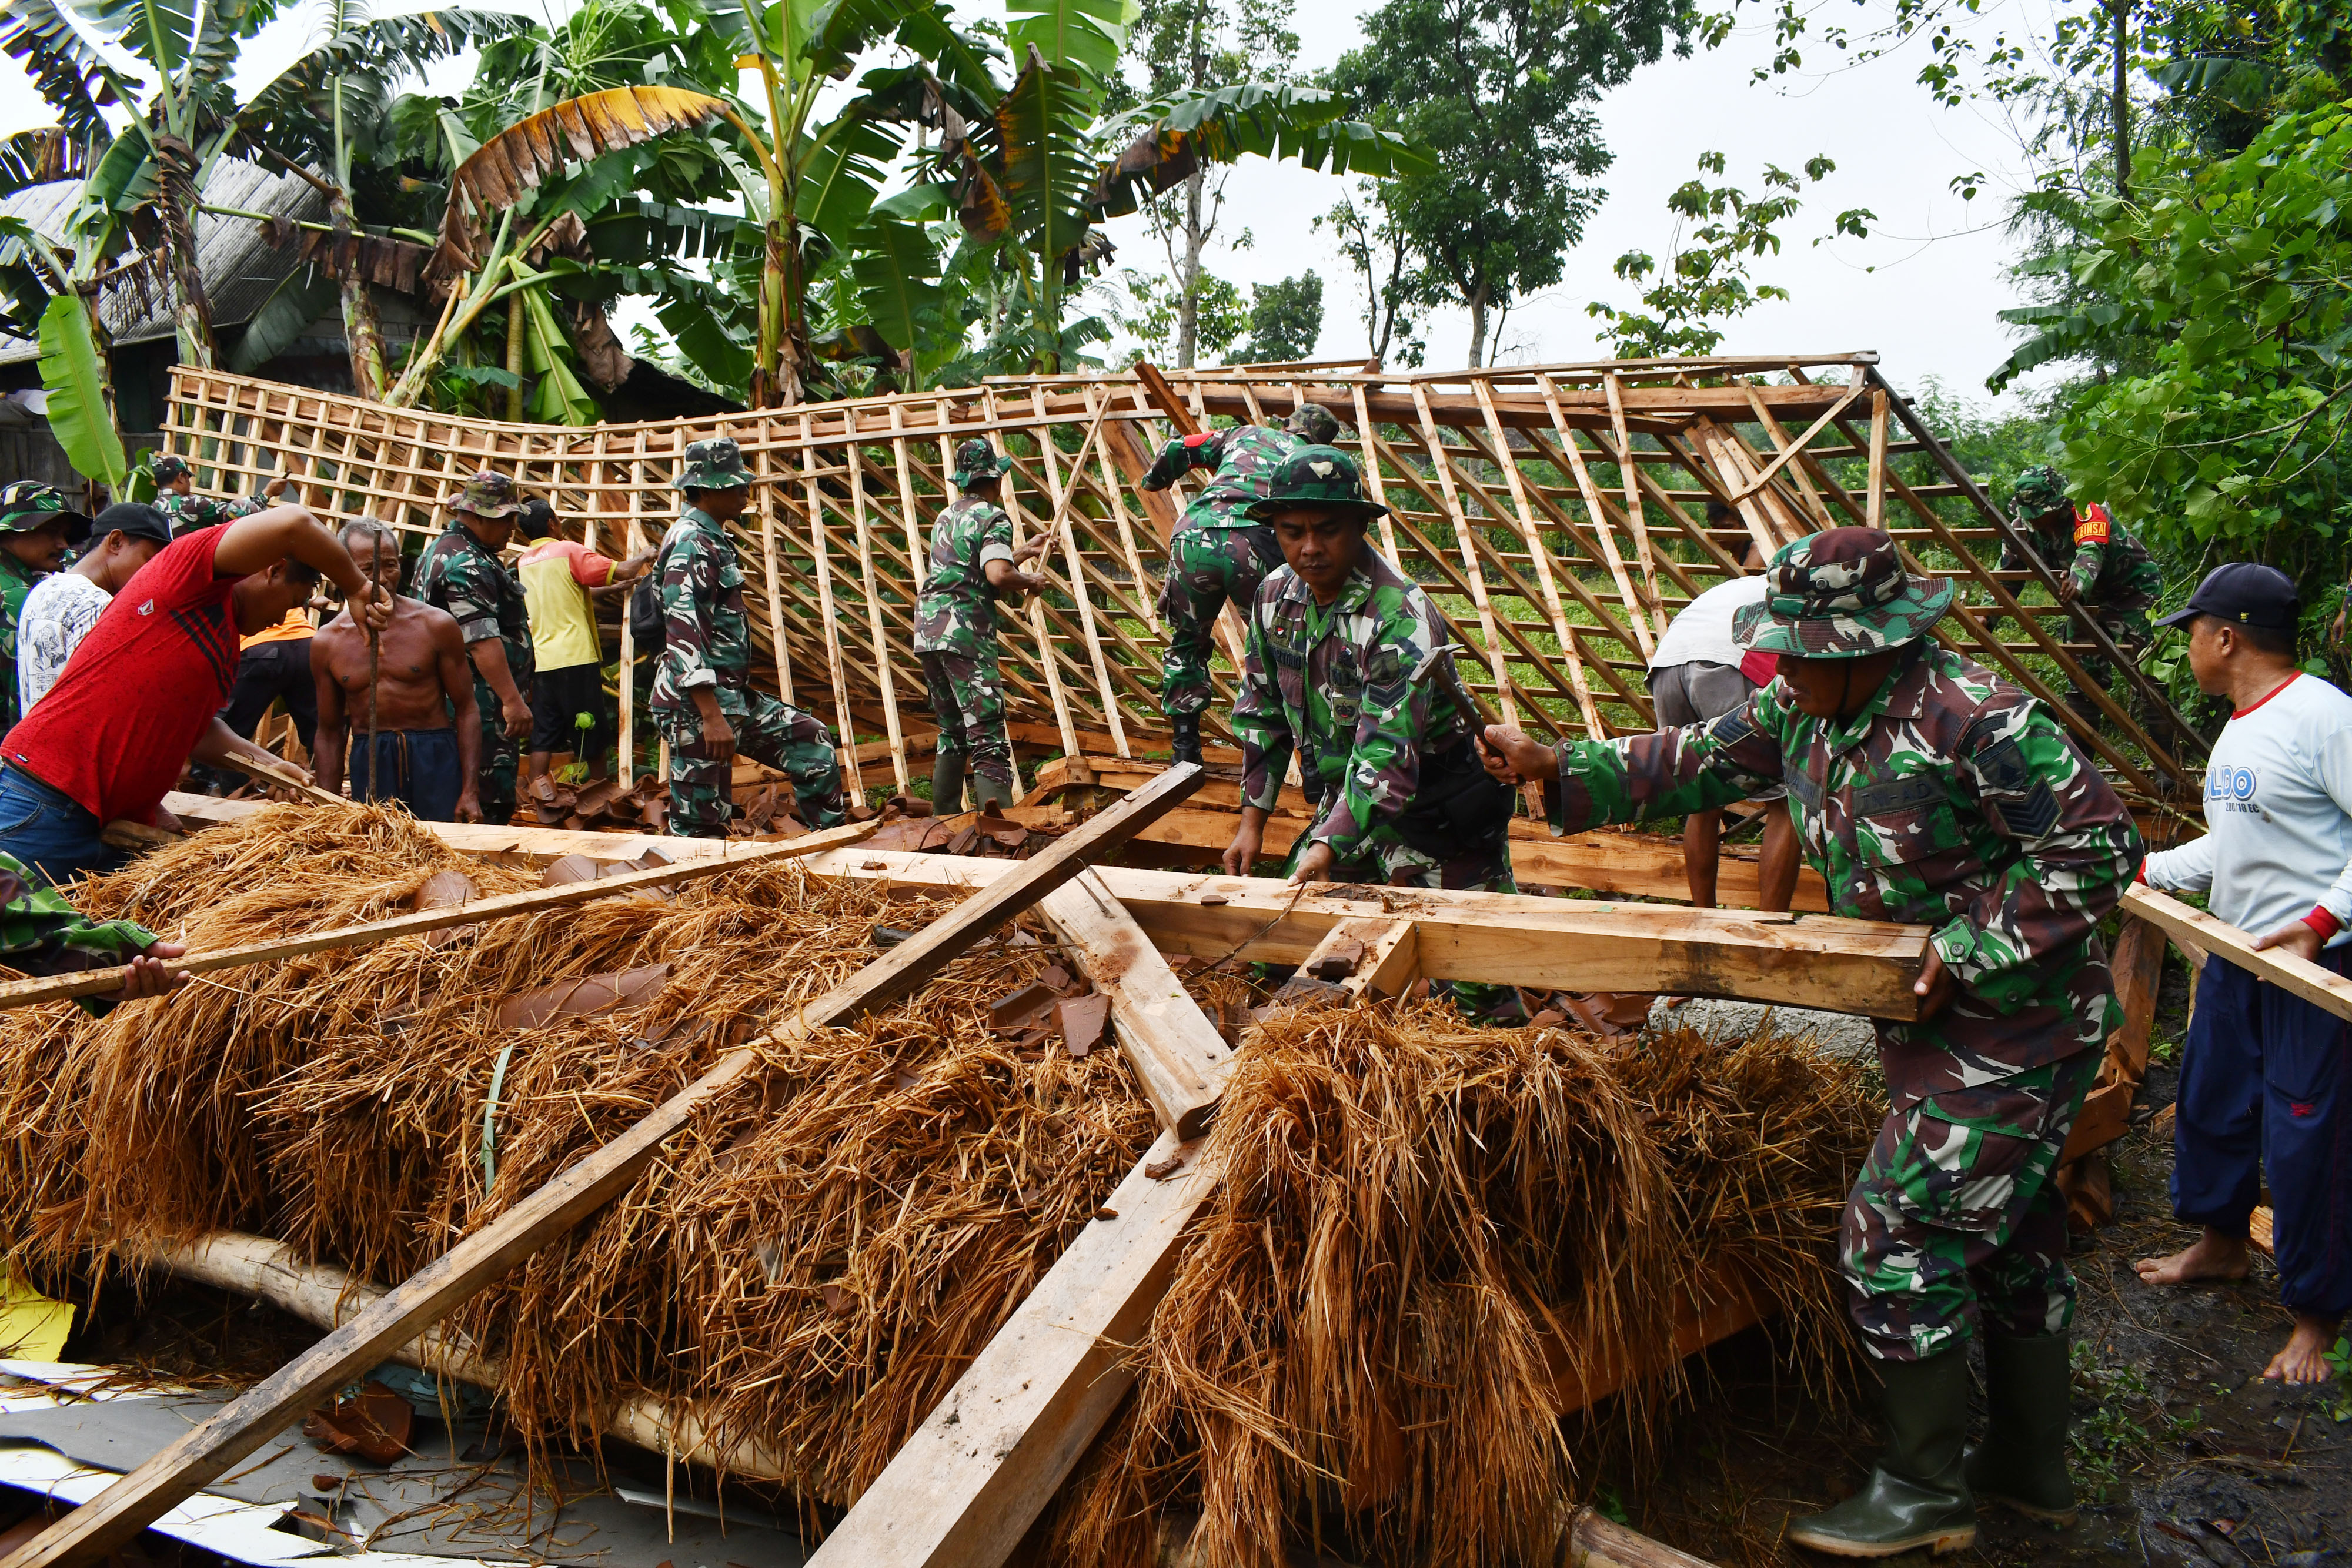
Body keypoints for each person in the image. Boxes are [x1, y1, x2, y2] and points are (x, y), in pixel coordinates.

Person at [1482, 527, 2143, 1557]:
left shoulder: (1978, 720)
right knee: (2010, 1235)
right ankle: (2029, 1466)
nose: (1782, 668)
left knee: (1896, 1231)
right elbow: (1696, 761)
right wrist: (1560, 763)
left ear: (1870, 645)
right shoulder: (1802, 705)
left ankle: (1924, 1490)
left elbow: (2098, 845)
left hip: (2018, 1026)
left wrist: (1972, 943)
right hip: (1925, 1026)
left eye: (1805, 649)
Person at [2133, 564, 2352, 1385]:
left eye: (2193, 631)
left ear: (2226, 637)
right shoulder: (2241, 726)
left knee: (2309, 1131)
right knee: (2214, 1100)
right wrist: (2147, 869)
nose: (2189, 646)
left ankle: (2316, 1316)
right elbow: (2234, 847)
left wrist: (2324, 921)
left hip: (2315, 965)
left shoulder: (2324, 717)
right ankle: (2222, 1245)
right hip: (2239, 951)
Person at [1221, 445, 1523, 1022]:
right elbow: (1261, 709)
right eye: (1291, 532)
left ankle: (1513, 1083)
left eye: (1327, 530)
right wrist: (1251, 823)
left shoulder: (1398, 615)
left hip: (1438, 804)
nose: (1309, 548)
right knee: (1286, 941)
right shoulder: (1272, 598)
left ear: (1361, 525)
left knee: (1476, 973)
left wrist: (1326, 843)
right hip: (1347, 804)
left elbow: (1386, 752)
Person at [0, 500, 390, 888]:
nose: (282, 618)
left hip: (108, 821)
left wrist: (270, 763)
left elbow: (198, 731)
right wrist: (356, 585)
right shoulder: (187, 578)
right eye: (292, 602)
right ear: (275, 569)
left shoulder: (222, 643)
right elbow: (294, 522)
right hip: (48, 800)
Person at [652, 437, 847, 837]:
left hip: (730, 699)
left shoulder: (713, 538)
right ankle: (691, 894)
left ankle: (828, 855)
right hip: (696, 708)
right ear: (705, 490)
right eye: (734, 484)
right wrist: (710, 715)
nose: (745, 491)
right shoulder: (692, 542)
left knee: (812, 742)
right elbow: (682, 632)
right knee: (702, 828)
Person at [1140, 402, 1341, 764]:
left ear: (1287, 424)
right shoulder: (1314, 463)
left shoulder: (1244, 435)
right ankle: (1308, 759)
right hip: (1256, 543)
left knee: (1187, 643)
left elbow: (1178, 448)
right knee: (1284, 647)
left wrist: (1156, 480)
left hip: (1194, 537)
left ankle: (1185, 753)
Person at [1647, 516, 1799, 911]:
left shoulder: (1739, 586)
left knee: (1703, 795)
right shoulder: (1800, 598)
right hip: (1729, 660)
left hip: (1669, 660)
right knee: (1786, 801)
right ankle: (1769, 928)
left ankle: (1704, 917)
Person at [913, 439, 1051, 814]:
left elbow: (968, 567)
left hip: (929, 632)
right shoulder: (994, 517)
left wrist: (1023, 551)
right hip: (965, 636)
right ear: (996, 478)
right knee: (986, 733)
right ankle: (999, 835)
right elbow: (996, 573)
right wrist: (1030, 581)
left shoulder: (947, 517)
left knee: (952, 730)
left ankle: (943, 822)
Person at [312, 520, 482, 823]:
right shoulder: (329, 640)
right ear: (345, 570)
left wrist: (469, 790)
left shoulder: (435, 625)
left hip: (434, 757)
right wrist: (328, 805)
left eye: (389, 565)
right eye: (366, 570)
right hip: (371, 756)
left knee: (440, 849)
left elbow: (467, 709)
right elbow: (330, 731)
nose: (381, 578)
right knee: (378, 854)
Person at [513, 497, 653, 806]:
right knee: (590, 725)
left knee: (545, 729)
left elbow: (569, 588)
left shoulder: (525, 562)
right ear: (552, 523)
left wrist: (611, 591)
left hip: (545, 659)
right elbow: (624, 569)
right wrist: (646, 552)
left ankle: (537, 795)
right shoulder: (569, 551)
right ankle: (600, 796)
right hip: (576, 656)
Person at [2002, 465, 2166, 723]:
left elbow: (2091, 551)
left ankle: (2166, 757)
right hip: (2085, 602)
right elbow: (2009, 577)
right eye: (2028, 513)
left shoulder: (2087, 510)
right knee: (2082, 678)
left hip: (2132, 591)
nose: (2032, 520)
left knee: (2151, 676)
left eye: (2039, 513)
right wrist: (1987, 617)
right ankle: (2081, 758)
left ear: (2059, 503)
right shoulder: (2022, 530)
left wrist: (2076, 583)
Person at [415, 472, 533, 826]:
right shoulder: (466, 562)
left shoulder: (443, 552)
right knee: (486, 800)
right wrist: (512, 702)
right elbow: (481, 640)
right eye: (507, 518)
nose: (514, 527)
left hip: (462, 699)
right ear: (480, 516)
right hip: (479, 705)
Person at [17, 502, 170, 716]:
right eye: (150, 561)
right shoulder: (99, 605)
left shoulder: (42, 590)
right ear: (116, 542)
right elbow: (106, 702)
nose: (153, 575)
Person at [0, 482, 91, 733]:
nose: (63, 544)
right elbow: (25, 704)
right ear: (12, 532)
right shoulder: (17, 600)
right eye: (50, 531)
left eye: (65, 535)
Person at [152, 454, 293, 536]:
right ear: (181, 477)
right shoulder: (192, 504)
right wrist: (268, 493)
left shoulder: (151, 511)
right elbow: (240, 512)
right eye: (188, 478)